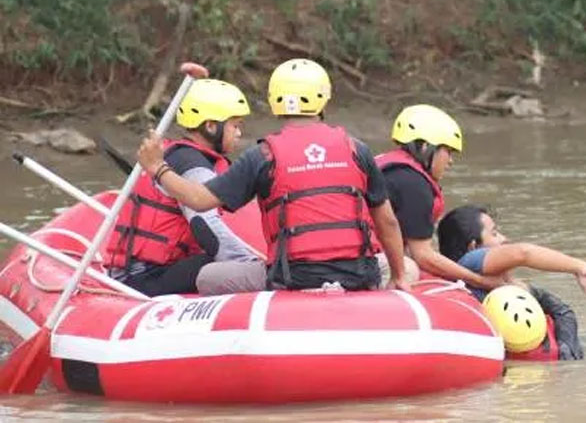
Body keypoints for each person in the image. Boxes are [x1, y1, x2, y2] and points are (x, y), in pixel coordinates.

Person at [136, 58, 410, 292]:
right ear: (324, 98)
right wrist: (399, 276)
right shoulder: (357, 149)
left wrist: (157, 168)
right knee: (409, 266)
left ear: (274, 101)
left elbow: (199, 199)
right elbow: (388, 222)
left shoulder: (262, 155)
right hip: (359, 274)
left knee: (207, 276)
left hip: (291, 277)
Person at [103, 78, 254, 296]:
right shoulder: (192, 166)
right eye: (235, 126)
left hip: (143, 271)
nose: (239, 133)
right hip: (143, 278)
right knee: (225, 265)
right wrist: (251, 265)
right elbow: (206, 225)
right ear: (210, 126)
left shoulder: (178, 155)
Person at [437, 204, 586, 360]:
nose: (504, 239)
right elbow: (523, 253)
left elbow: (561, 310)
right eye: (494, 233)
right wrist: (579, 267)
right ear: (473, 247)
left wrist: (566, 354)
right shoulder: (468, 261)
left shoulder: (501, 282)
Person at [376, 104, 501, 290]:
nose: (450, 161)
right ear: (426, 147)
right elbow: (423, 256)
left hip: (350, 256)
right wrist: (479, 281)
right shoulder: (413, 184)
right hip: (360, 260)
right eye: (448, 152)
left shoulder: (386, 165)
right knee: (408, 269)